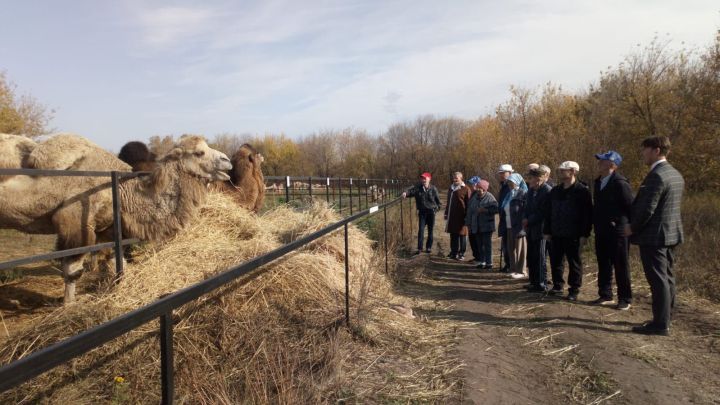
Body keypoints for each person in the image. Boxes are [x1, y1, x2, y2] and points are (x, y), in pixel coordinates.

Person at [626, 136, 684, 336]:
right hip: (670, 234)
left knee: (658, 280)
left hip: (655, 236)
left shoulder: (657, 176)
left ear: (656, 150)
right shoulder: (675, 174)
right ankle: (665, 318)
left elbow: (647, 209)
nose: (643, 153)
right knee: (667, 277)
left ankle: (660, 324)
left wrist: (632, 228)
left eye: (645, 149)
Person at [543, 161, 593, 301]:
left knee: (574, 263)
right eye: (560, 170)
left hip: (574, 234)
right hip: (556, 233)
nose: (561, 172)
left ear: (572, 171)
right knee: (556, 261)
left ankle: (574, 289)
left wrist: (585, 233)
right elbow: (548, 212)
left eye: (564, 170)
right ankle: (558, 285)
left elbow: (587, 215)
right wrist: (547, 230)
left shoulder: (582, 191)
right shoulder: (555, 191)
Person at [592, 151, 633, 310]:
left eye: (603, 161)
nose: (599, 163)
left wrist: (628, 226)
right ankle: (605, 294)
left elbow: (630, 206)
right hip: (601, 229)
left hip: (618, 231)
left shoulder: (620, 183)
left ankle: (625, 298)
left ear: (612, 164)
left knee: (621, 264)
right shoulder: (598, 182)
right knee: (603, 262)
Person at [523, 167, 552, 291]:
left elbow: (543, 212)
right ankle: (533, 281)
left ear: (539, 179)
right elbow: (526, 206)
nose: (529, 181)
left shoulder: (547, 191)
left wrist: (529, 220)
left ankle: (541, 283)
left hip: (541, 229)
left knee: (540, 257)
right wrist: (525, 217)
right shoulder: (530, 190)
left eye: (531, 178)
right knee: (531, 256)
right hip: (530, 228)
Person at [402, 172, 442, 255]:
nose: (423, 180)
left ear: (429, 179)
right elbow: (410, 191)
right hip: (422, 213)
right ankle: (420, 248)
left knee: (430, 231)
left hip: (431, 212)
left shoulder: (433, 189)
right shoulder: (418, 188)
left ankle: (428, 247)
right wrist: (405, 193)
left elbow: (439, 203)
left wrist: (435, 210)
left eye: (425, 178)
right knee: (421, 230)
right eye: (422, 178)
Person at [465, 178, 498, 269]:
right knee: (479, 244)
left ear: (484, 189)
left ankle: (489, 263)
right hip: (476, 225)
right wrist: (468, 223)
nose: (477, 189)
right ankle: (482, 261)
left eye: (479, 188)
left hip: (487, 226)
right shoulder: (474, 197)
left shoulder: (490, 197)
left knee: (487, 245)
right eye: (477, 187)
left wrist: (485, 210)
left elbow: (496, 209)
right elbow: (470, 211)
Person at [504, 173, 529, 279]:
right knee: (511, 248)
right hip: (509, 225)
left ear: (517, 182)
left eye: (511, 181)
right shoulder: (509, 194)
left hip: (519, 226)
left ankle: (521, 271)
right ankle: (513, 268)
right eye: (508, 182)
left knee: (520, 249)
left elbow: (525, 210)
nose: (509, 183)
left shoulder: (523, 193)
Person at [445, 172, 472, 260]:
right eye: (453, 178)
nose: (454, 180)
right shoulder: (451, 188)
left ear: (461, 178)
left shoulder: (466, 188)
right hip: (452, 216)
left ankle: (462, 253)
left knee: (462, 234)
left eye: (456, 178)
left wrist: (467, 216)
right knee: (453, 234)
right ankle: (454, 252)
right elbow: (448, 202)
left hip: (462, 216)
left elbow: (469, 204)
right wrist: (446, 213)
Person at [495, 164, 513, 271]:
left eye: (503, 173)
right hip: (503, 217)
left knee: (509, 243)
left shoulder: (511, 185)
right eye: (500, 173)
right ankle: (507, 264)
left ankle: (510, 264)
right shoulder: (503, 185)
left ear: (510, 173)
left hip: (510, 218)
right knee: (505, 242)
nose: (501, 175)